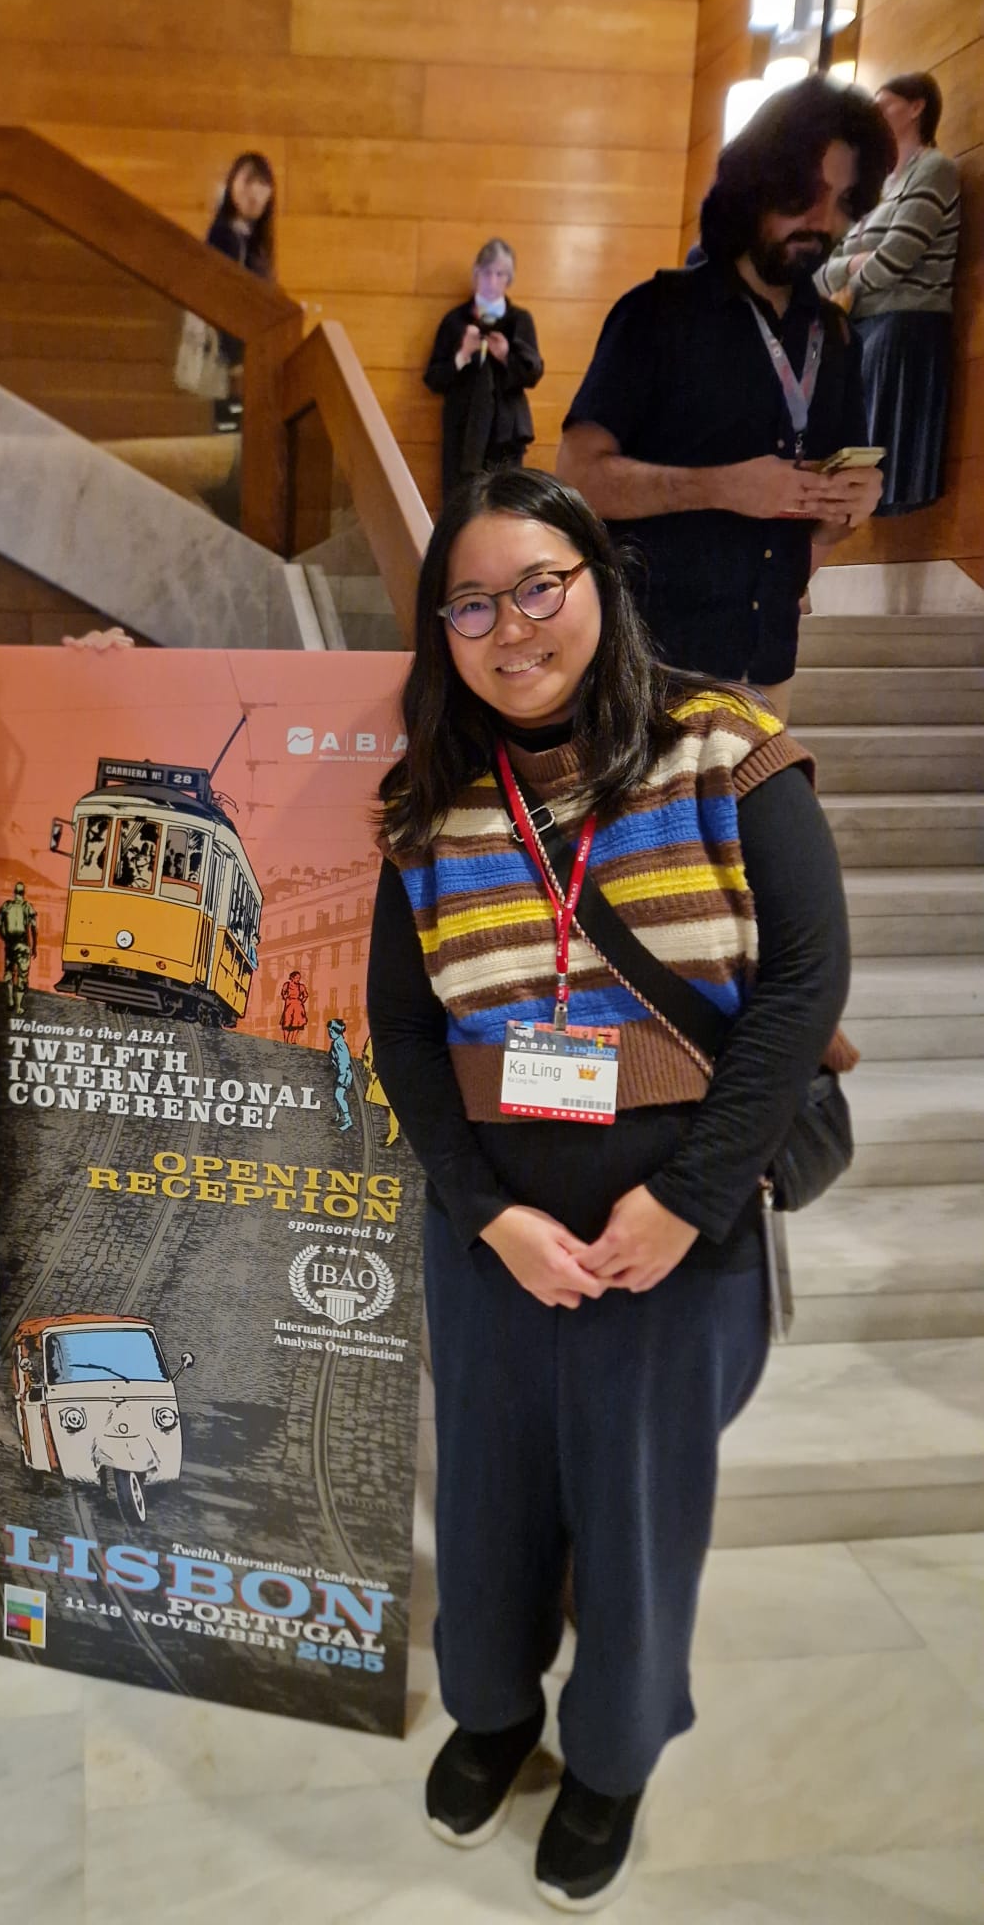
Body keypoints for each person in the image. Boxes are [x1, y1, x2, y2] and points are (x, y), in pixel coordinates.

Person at [367, 468, 853, 1913]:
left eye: (539, 586)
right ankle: (492, 1712)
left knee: (638, 1517)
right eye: (471, 604)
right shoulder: (430, 802)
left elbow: (805, 984)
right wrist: (484, 1214)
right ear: (440, 632)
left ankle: (612, 1757)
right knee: (489, 1494)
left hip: (673, 1230)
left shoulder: (725, 748)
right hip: (495, 1235)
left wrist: (688, 1200)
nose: (510, 626)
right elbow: (402, 1032)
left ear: (596, 580)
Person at [557, 77, 894, 723]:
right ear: (755, 184)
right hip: (649, 668)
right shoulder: (656, 314)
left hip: (768, 672)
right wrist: (722, 487)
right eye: (804, 196)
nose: (823, 222)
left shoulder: (836, 337)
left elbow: (824, 526)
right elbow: (576, 477)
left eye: (845, 203)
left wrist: (849, 505)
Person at [820, 72, 960, 516]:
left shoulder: (933, 169)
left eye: (884, 104)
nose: (875, 115)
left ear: (916, 108)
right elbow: (821, 270)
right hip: (860, 327)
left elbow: (897, 257)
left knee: (874, 483)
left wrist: (847, 274)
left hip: (905, 326)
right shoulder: (877, 186)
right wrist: (850, 266)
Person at [425, 239, 544, 498]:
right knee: (459, 502)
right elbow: (433, 378)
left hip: (506, 432)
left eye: (500, 274)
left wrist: (505, 356)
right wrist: (462, 355)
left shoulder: (519, 320)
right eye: (486, 273)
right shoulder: (455, 321)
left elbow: (534, 373)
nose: (492, 281)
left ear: (509, 279)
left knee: (504, 502)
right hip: (462, 430)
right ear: (476, 275)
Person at [204, 150, 276, 431]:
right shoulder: (224, 235)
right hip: (230, 359)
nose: (254, 193)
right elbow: (221, 299)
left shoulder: (252, 241)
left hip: (247, 358)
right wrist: (235, 359)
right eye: (248, 182)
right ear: (233, 184)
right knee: (229, 430)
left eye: (261, 185)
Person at [0, 881, 38, 1014]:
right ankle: (19, 1006)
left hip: (10, 945)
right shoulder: (27, 907)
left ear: (14, 892)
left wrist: (4, 937)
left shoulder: (6, 905)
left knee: (9, 971)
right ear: (23, 893)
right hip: (23, 945)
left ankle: (10, 999)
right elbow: (34, 928)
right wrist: (34, 946)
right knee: (22, 975)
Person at [280, 969, 309, 1044]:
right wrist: (286, 998)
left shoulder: (301, 986)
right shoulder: (287, 985)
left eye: (299, 978)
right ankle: (285, 1041)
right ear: (292, 978)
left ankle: (293, 1040)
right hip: (289, 1006)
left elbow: (305, 995)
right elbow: (283, 993)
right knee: (287, 1023)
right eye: (297, 978)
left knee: (297, 1024)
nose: (298, 979)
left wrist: (301, 1002)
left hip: (298, 1007)